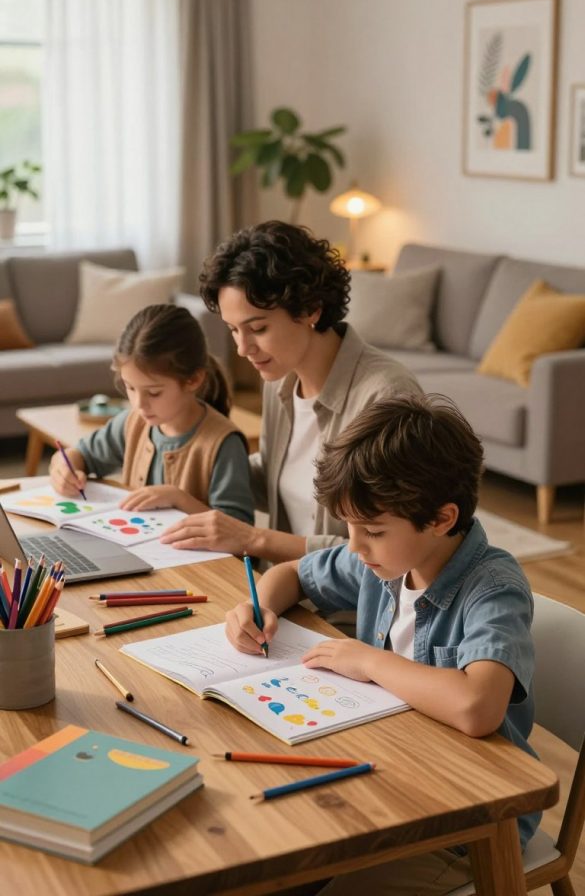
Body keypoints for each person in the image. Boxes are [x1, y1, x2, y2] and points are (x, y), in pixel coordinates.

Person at [225, 394, 539, 895]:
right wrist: (258, 607)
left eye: (371, 530)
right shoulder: (390, 558)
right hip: (386, 776)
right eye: (350, 528)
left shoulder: (493, 587)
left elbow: (478, 706)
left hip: (464, 826)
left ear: (440, 518)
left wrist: (370, 661)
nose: (354, 546)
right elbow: (291, 574)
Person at [160, 221, 420, 561]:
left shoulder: (386, 399)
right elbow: (275, 477)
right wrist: (187, 473)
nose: (243, 348)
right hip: (287, 591)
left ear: (310, 308)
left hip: (344, 612)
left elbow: (391, 554)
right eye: (234, 330)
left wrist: (254, 539)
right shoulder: (281, 381)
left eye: (258, 328)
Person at [49, 303, 254, 524]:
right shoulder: (133, 423)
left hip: (199, 560)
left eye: (154, 393)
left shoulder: (224, 444)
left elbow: (241, 534)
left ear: (193, 380)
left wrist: (179, 500)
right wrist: (64, 467)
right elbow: (79, 455)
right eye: (130, 388)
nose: (139, 404)